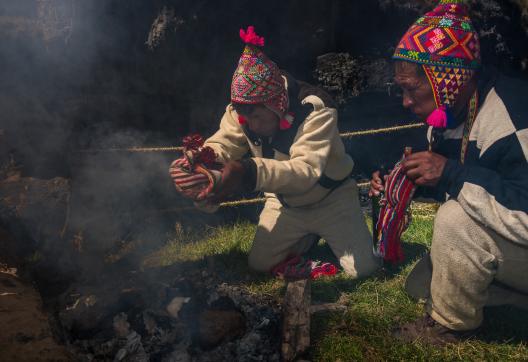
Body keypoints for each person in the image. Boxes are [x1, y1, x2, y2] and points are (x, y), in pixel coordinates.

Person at [369, 0, 528, 345]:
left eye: (412, 89)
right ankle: (514, 300)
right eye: (402, 90)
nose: (405, 102)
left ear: (449, 79)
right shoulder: (449, 116)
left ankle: (450, 327)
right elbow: (457, 177)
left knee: (456, 222)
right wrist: (401, 179)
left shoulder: (514, 116)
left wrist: (451, 174)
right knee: (422, 282)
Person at [171, 26, 380, 278]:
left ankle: (326, 235)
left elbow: (305, 172)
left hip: (331, 200)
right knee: (260, 265)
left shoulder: (316, 110)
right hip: (285, 204)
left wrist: (246, 171)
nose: (252, 124)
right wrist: (203, 163)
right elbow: (224, 143)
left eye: (258, 116)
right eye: (245, 117)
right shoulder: (243, 113)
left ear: (277, 103)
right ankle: (306, 241)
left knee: (363, 270)